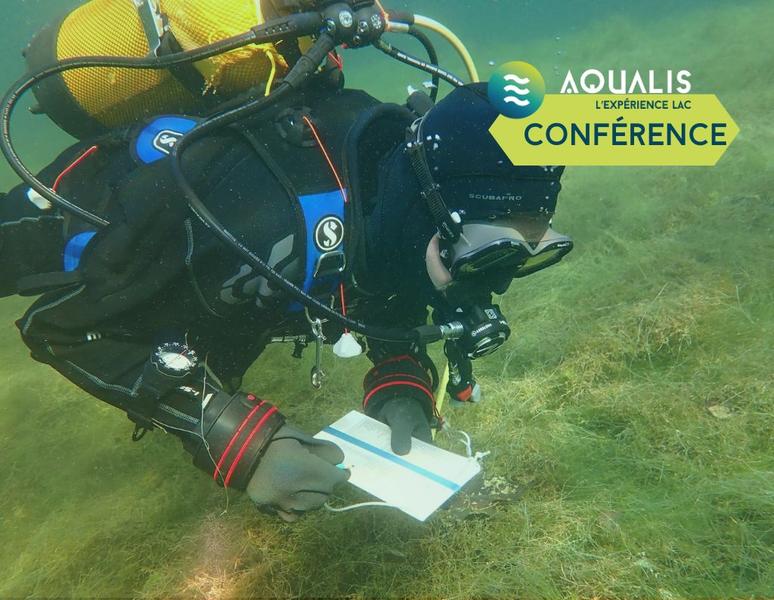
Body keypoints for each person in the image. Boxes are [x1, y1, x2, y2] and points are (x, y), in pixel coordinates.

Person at [0, 75, 569, 521]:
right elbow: (62, 327)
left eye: (528, 248)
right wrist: (237, 441)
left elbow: (379, 282)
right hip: (83, 224)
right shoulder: (255, 224)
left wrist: (401, 377)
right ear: (430, 209)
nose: (497, 281)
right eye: (488, 251)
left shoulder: (391, 179)